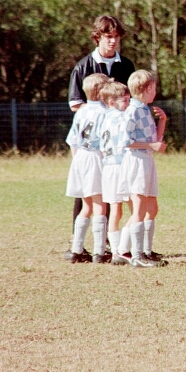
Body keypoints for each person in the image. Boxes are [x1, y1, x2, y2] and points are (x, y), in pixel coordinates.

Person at [66, 15, 135, 258]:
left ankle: (114, 244)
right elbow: (76, 104)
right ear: (97, 37)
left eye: (116, 37)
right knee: (86, 197)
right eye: (108, 37)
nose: (113, 41)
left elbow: (132, 100)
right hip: (92, 148)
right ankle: (78, 244)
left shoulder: (126, 65)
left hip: (115, 146)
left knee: (113, 195)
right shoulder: (83, 66)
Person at [120, 69, 168, 268]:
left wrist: (162, 121)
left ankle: (144, 251)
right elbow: (126, 141)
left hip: (147, 161)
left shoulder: (144, 109)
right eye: (154, 87)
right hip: (137, 162)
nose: (155, 91)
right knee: (139, 209)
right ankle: (136, 255)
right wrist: (151, 146)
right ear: (147, 88)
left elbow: (155, 140)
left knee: (152, 208)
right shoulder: (133, 110)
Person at [65, 73, 110, 263]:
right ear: (100, 91)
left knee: (87, 205)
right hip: (96, 157)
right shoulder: (106, 112)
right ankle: (100, 251)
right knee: (100, 204)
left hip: (80, 158)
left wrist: (78, 162)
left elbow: (73, 141)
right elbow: (107, 142)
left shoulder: (81, 111)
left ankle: (76, 250)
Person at [98, 80, 133, 265]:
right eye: (125, 101)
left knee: (115, 210)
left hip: (108, 167)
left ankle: (115, 252)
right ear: (111, 102)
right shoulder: (121, 117)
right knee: (136, 209)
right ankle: (123, 249)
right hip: (121, 165)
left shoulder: (103, 118)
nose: (128, 104)